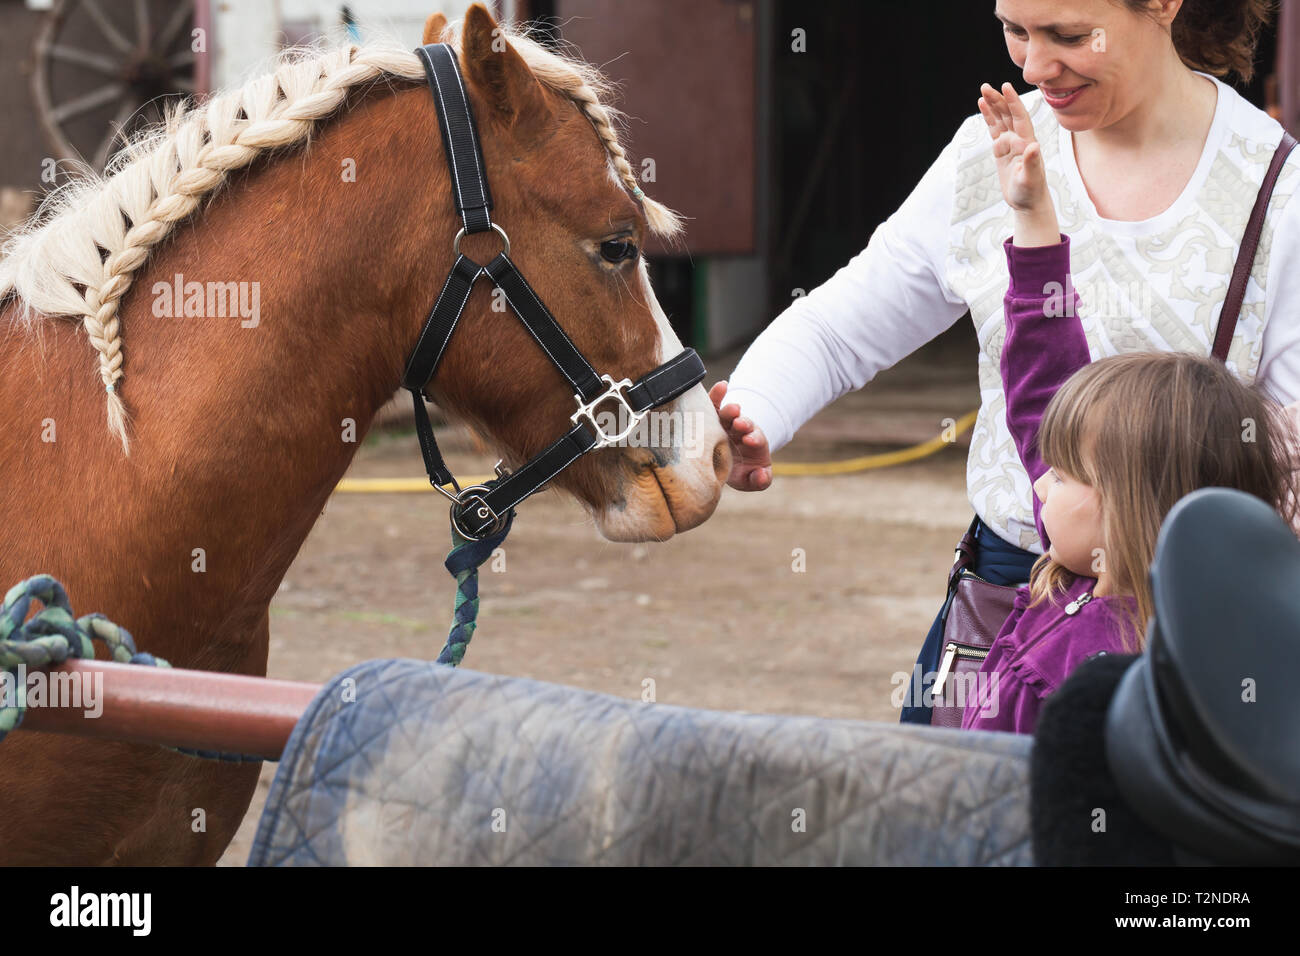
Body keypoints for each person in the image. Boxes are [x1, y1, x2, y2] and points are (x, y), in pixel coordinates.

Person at [709, 0, 1300, 724]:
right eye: (1015, 31)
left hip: (1179, 620)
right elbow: (842, 324)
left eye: (1069, 36)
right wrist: (753, 412)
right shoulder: (994, 151)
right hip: (1001, 599)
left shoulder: (1277, 190)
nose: (1033, 67)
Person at [958, 83, 1300, 733]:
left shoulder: (1085, 679)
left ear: (1123, 506)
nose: (1041, 481)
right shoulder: (1184, 621)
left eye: (1059, 475)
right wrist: (1033, 219)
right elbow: (1043, 386)